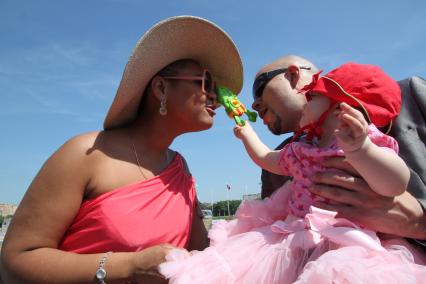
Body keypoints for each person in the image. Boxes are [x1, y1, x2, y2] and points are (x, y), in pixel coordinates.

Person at [0, 15, 243, 284]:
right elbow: (16, 259)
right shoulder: (86, 154)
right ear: (161, 88)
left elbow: (198, 253)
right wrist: (130, 265)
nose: (216, 97)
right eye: (206, 82)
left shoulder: (180, 169)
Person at [159, 63, 426, 283]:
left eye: (312, 96)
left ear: (337, 106)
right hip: (292, 242)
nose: (258, 113)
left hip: (350, 251)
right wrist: (246, 133)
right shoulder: (299, 149)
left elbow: (395, 183)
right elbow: (266, 158)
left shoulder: (373, 135)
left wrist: (361, 150)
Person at [252, 55, 426, 244]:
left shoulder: (413, 94)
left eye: (259, 88)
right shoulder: (276, 164)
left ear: (293, 75)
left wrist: (419, 222)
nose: (254, 105)